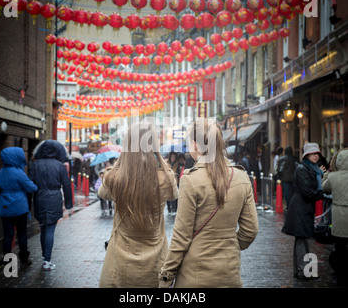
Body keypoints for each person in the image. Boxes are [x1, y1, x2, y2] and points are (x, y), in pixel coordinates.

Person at [159, 119, 258, 288]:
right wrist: (230, 247)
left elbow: (181, 237)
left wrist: (166, 276)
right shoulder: (241, 177)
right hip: (229, 273)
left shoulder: (190, 180)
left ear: (195, 144)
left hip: (194, 274)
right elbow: (251, 230)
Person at [98, 122, 178, 288]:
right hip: (155, 262)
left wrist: (115, 167)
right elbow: (174, 195)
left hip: (120, 264)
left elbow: (102, 193)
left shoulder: (115, 178)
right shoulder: (166, 178)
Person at [281, 142, 326, 279]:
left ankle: (301, 270)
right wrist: (323, 195)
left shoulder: (312, 168)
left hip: (304, 207)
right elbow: (308, 191)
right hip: (300, 208)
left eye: (317, 153)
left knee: (302, 239)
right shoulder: (302, 169)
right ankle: (303, 271)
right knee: (301, 239)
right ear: (306, 155)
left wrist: (320, 176)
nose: (315, 156)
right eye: (312, 154)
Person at [29, 140, 73, 271]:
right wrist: (69, 203)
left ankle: (44, 257)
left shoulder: (35, 165)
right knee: (50, 230)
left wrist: (28, 203)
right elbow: (66, 185)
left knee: (43, 227)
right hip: (54, 199)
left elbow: (30, 184)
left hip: (40, 198)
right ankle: (47, 260)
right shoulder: (59, 166)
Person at [0, 147, 37, 267]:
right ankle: (24, 259)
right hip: (19, 208)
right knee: (21, 234)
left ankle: (8, 260)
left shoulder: (0, 172)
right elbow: (32, 188)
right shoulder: (18, 172)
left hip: (5, 207)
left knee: (8, 234)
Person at [322, 148, 348, 286]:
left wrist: (327, 174)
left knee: (340, 248)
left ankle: (341, 275)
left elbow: (323, 187)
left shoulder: (334, 177)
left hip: (339, 217)